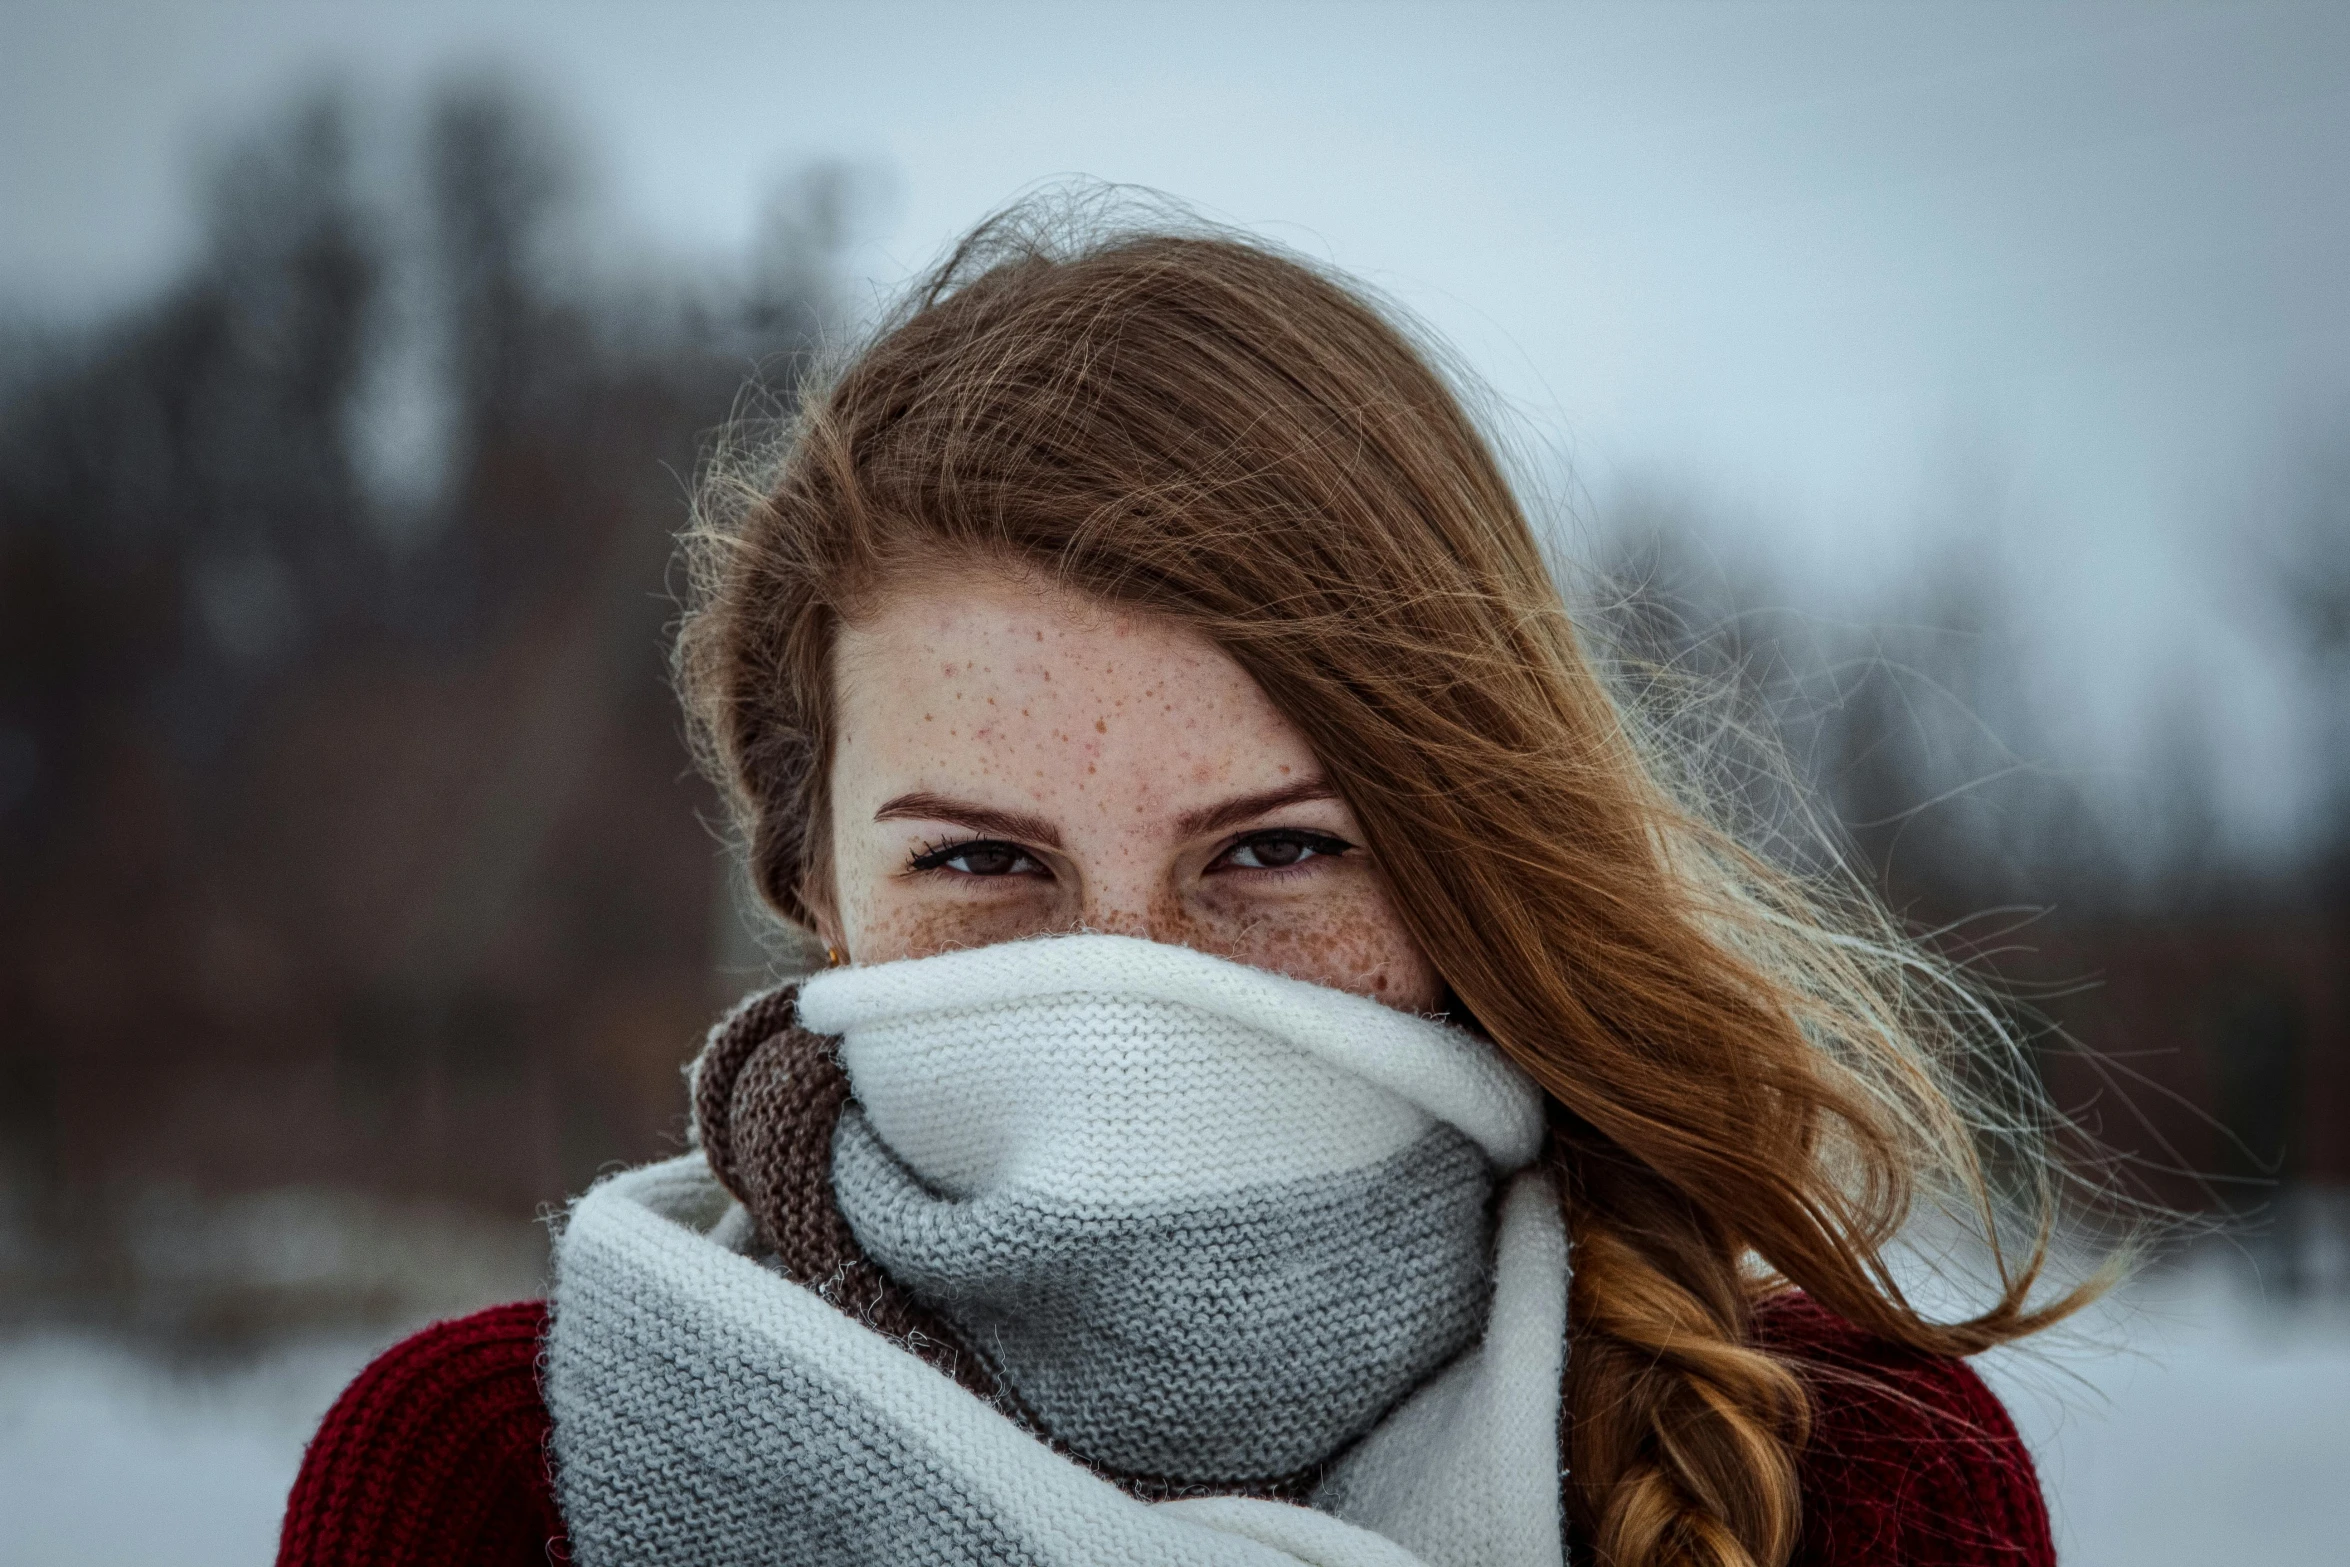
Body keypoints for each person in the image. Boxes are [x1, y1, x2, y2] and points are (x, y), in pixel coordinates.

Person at [278, 201, 2097, 1567]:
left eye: (1275, 852)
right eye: (982, 860)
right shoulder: (491, 1486)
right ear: (813, 894)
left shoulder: (1834, 1482)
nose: (1131, 987)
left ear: (1472, 869)